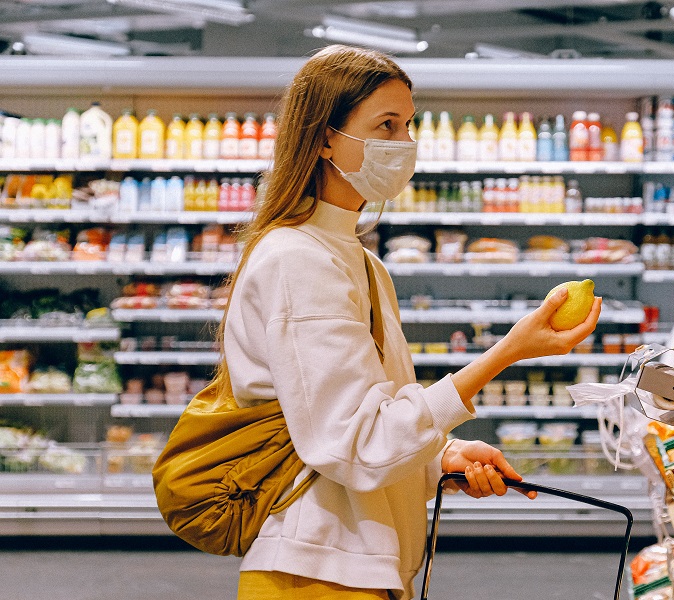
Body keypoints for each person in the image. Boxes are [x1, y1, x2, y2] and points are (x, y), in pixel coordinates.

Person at [214, 45, 602, 600]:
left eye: (409, 125)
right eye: (386, 126)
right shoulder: (297, 260)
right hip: (315, 571)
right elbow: (354, 442)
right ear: (325, 138)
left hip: (361, 566)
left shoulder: (359, 261)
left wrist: (437, 457)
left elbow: (368, 416)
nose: (404, 144)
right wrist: (505, 354)